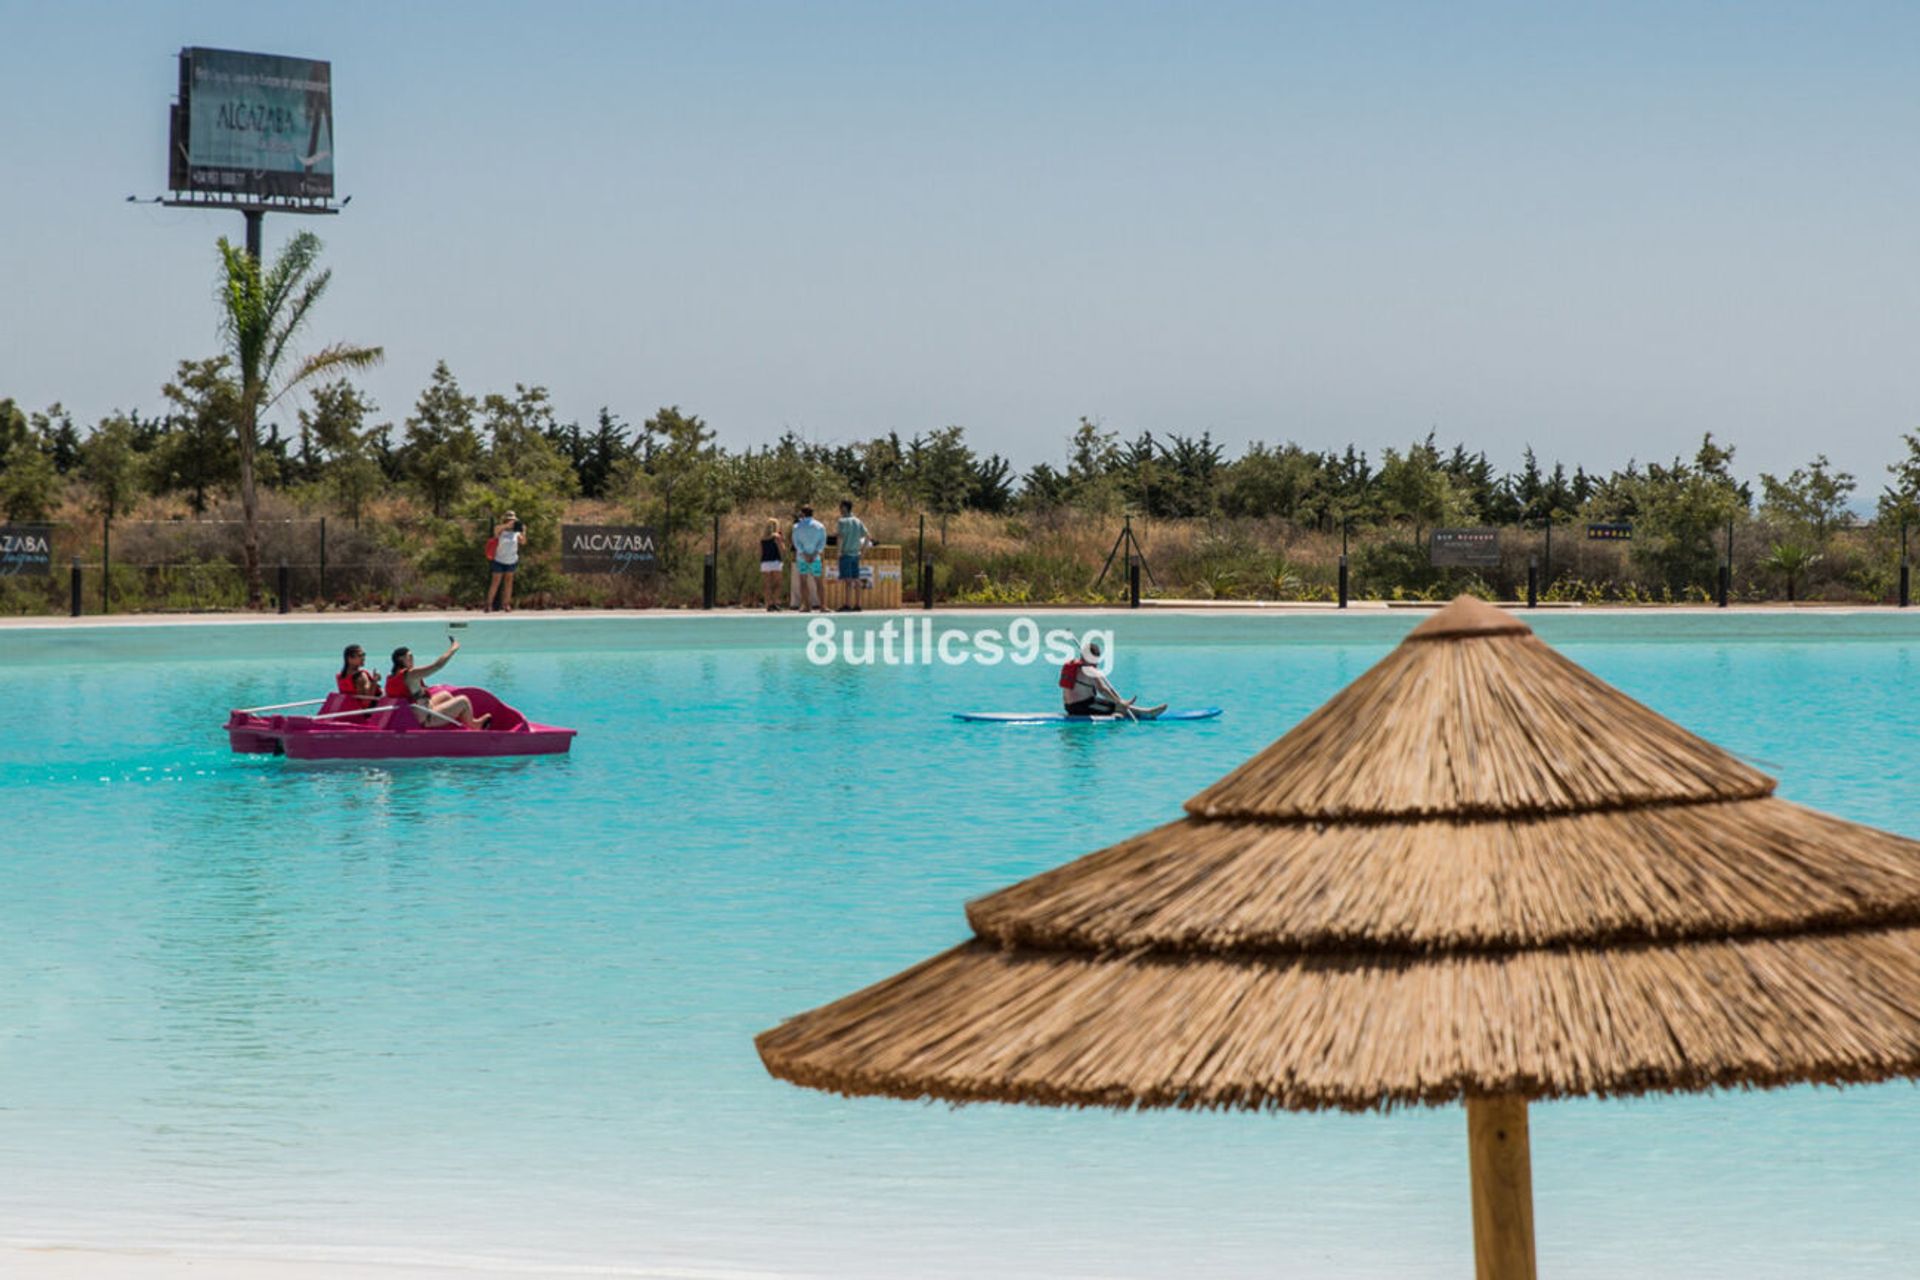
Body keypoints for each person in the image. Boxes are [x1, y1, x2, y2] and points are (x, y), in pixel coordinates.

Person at [387, 641, 490, 728]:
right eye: (410, 656)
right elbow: (437, 666)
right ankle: (474, 725)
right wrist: (453, 649)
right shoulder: (410, 674)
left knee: (445, 695)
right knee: (463, 700)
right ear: (401, 659)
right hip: (425, 718)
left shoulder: (392, 677)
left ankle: (459, 720)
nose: (413, 658)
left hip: (414, 712)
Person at [1059, 638, 1137, 718]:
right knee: (1117, 707)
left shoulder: (1072, 666)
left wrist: (1118, 702)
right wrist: (1119, 702)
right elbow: (1103, 690)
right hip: (1082, 707)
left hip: (1069, 707)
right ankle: (1118, 714)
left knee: (1115, 704)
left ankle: (1145, 711)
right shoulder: (1091, 671)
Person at [834, 499, 872, 612]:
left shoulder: (842, 521)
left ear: (845, 508)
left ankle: (847, 603)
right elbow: (868, 536)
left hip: (846, 553)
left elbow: (840, 537)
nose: (840, 510)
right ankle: (858, 604)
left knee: (847, 580)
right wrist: (863, 552)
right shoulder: (857, 521)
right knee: (856, 579)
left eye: (841, 507)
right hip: (856, 554)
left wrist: (839, 552)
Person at [791, 505, 827, 612]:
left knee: (803, 581)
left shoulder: (797, 527)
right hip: (815, 557)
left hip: (802, 558)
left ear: (802, 514)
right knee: (819, 581)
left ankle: (806, 605)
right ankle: (823, 606)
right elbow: (822, 542)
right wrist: (815, 553)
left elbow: (796, 542)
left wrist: (804, 554)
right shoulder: (820, 526)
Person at [485, 512, 524, 613]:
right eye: (509, 520)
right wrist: (507, 525)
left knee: (508, 583)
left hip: (511, 560)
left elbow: (523, 542)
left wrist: (523, 531)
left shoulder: (516, 533)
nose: (511, 522)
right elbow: (496, 530)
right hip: (499, 559)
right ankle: (489, 604)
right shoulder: (500, 530)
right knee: (495, 582)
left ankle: (506, 604)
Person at [335, 643, 381, 709]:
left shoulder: (341, 676)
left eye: (364, 655)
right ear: (349, 659)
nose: (363, 658)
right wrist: (374, 681)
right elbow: (366, 701)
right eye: (360, 656)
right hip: (365, 712)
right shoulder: (361, 676)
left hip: (349, 709)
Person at [759, 517, 787, 612]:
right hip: (775, 561)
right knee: (777, 584)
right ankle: (775, 602)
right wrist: (782, 541)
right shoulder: (777, 537)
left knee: (767, 584)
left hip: (765, 562)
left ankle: (768, 603)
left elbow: (760, 552)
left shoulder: (762, 538)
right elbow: (782, 550)